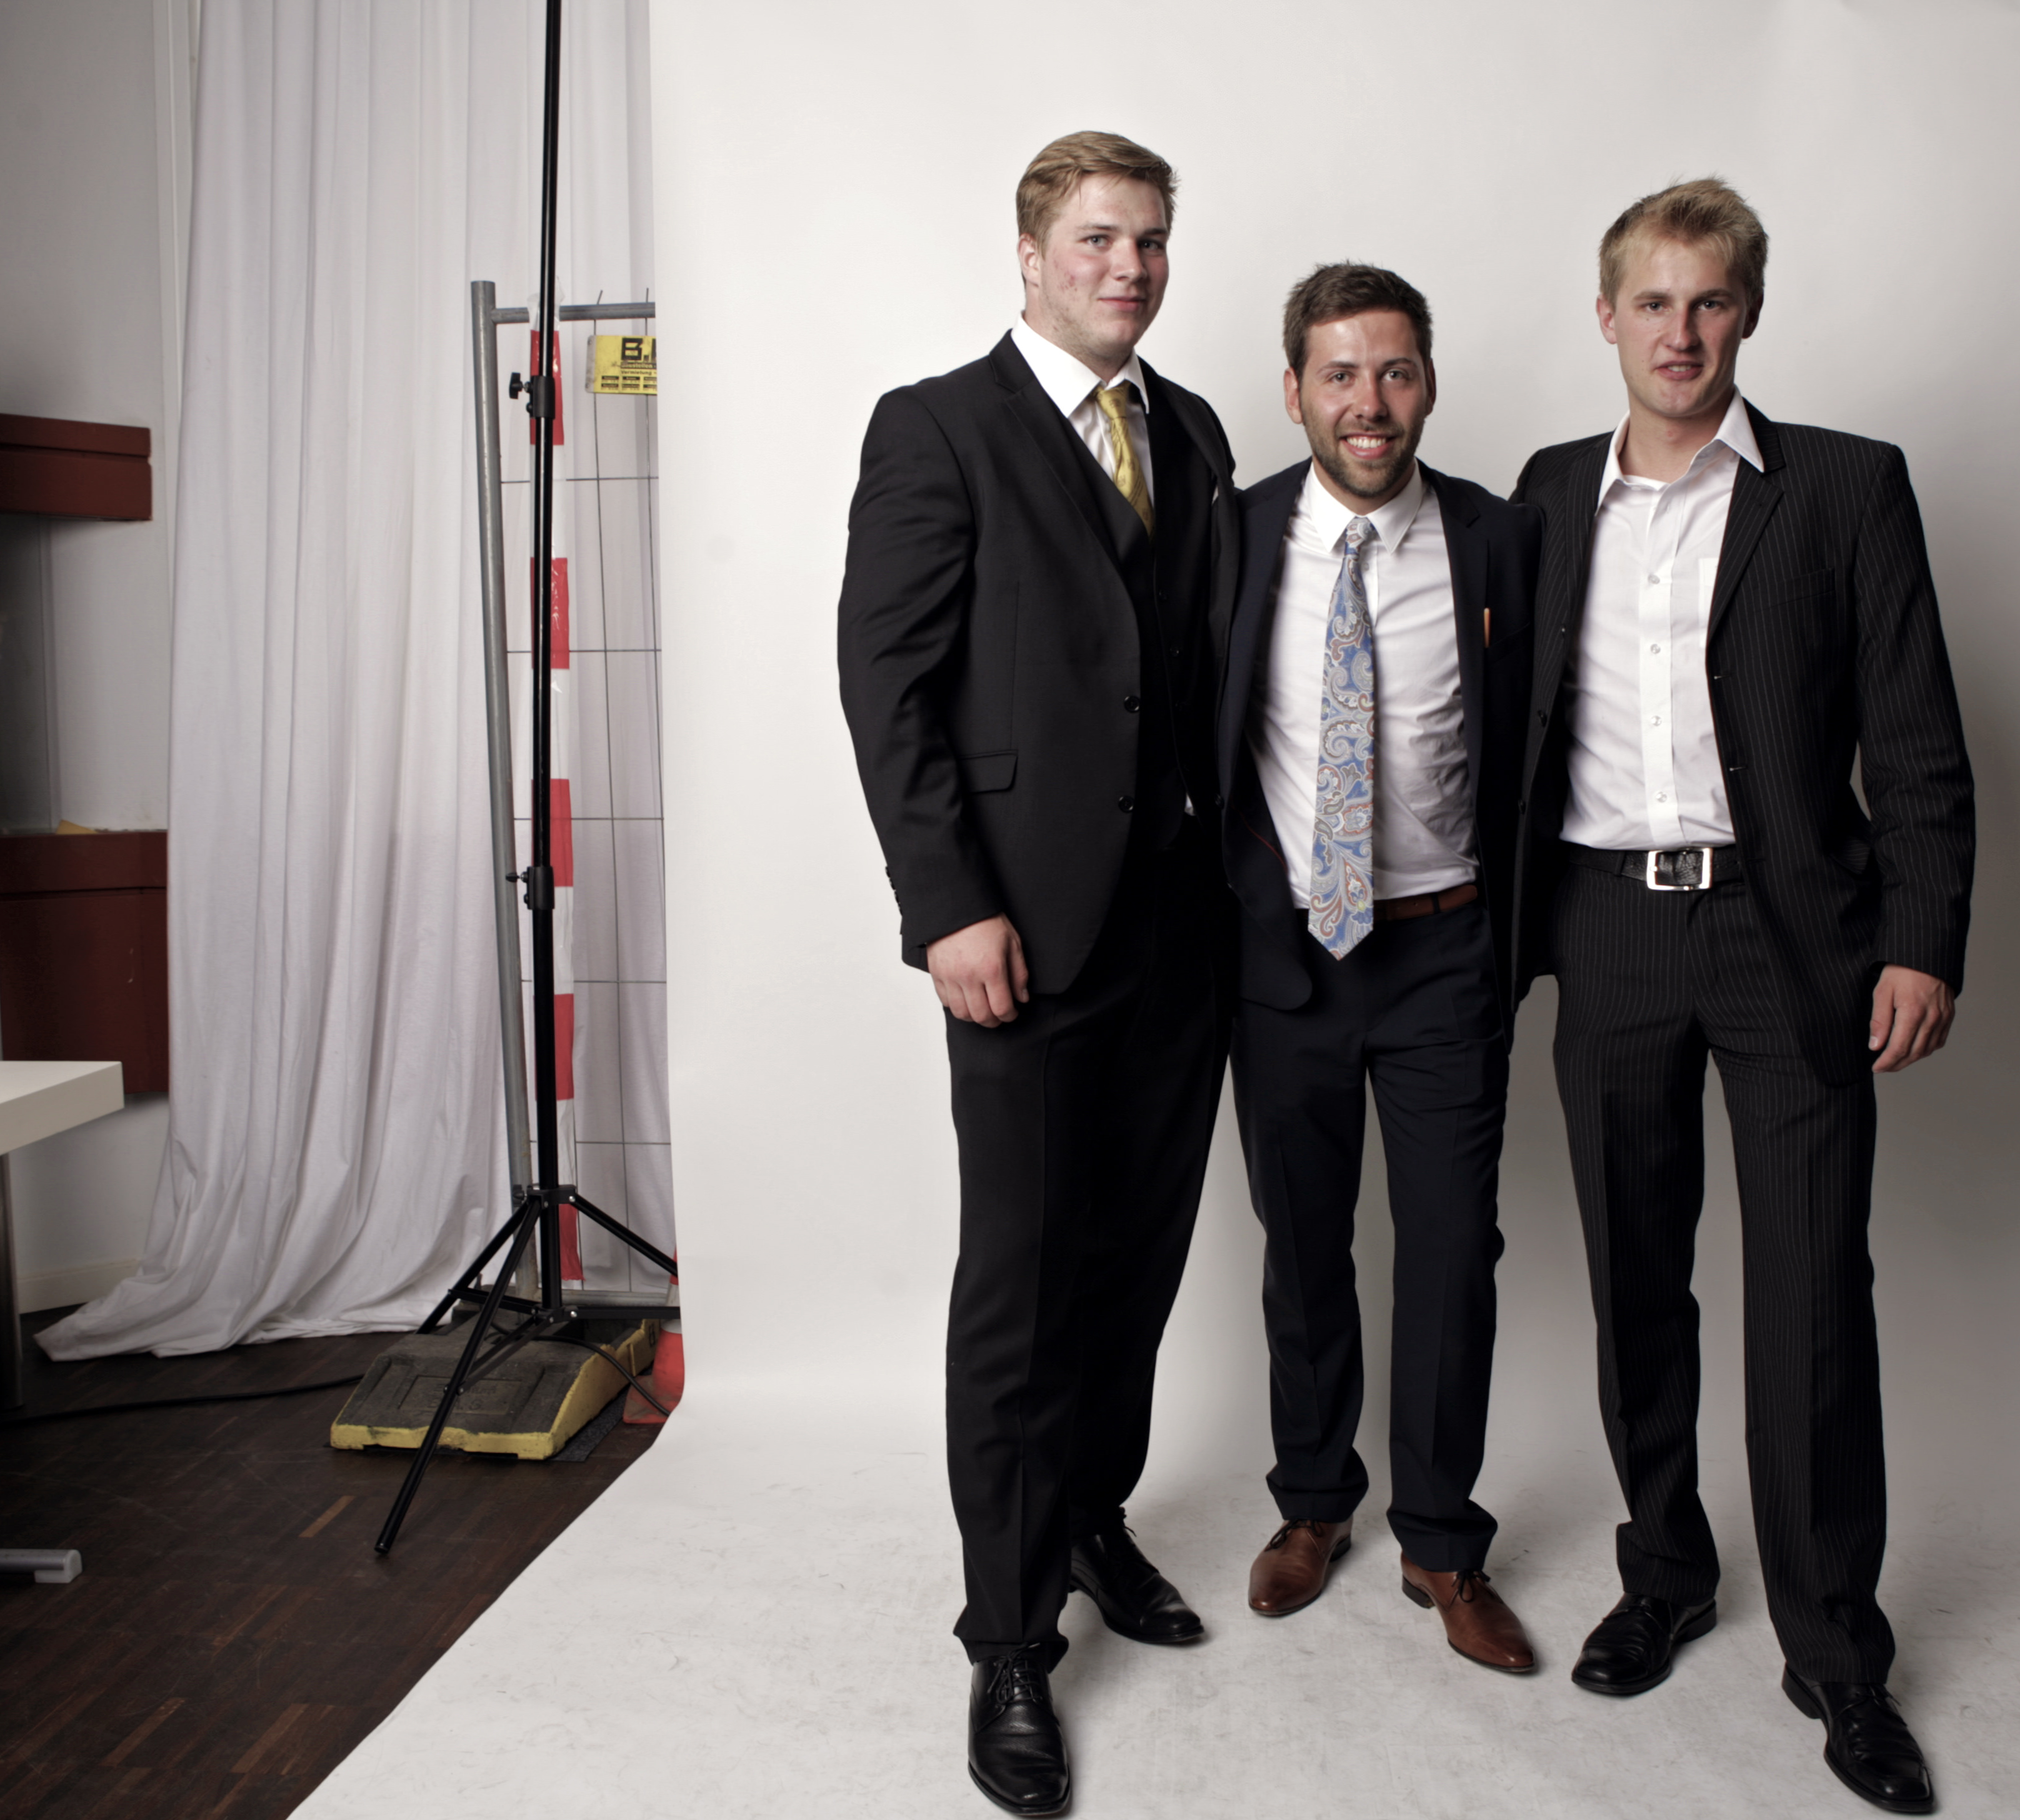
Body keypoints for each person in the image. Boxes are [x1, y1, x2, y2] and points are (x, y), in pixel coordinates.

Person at [1508, 179, 1973, 1815]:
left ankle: (1837, 1646)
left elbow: (1914, 736)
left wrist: (1922, 939)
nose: (1682, 331)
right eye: (1654, 301)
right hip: (1608, 930)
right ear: (1608, 316)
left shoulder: (1845, 488)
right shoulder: (1546, 496)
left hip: (1793, 942)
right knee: (1636, 1279)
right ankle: (1665, 1571)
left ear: (1748, 315)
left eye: (1709, 301)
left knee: (1811, 1293)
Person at [836, 131, 1236, 1819]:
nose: (1128, 267)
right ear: (1029, 254)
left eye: (1149, 241)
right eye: (1097, 239)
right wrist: (950, 908)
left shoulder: (1191, 430)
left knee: (1136, 1264)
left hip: (1182, 935)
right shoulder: (937, 428)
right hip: (1019, 939)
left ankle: (1088, 1516)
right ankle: (1007, 1636)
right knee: (1021, 1281)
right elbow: (887, 685)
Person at [1215, 265, 1543, 1674]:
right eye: (1340, 374)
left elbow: (1543, 738)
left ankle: (1441, 1541)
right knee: (1303, 1248)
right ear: (1294, 389)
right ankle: (1312, 1502)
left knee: (1452, 1252)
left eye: (1394, 371)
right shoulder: (1232, 537)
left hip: (1442, 953)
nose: (1369, 402)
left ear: (1428, 385)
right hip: (1284, 957)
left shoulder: (1497, 538)